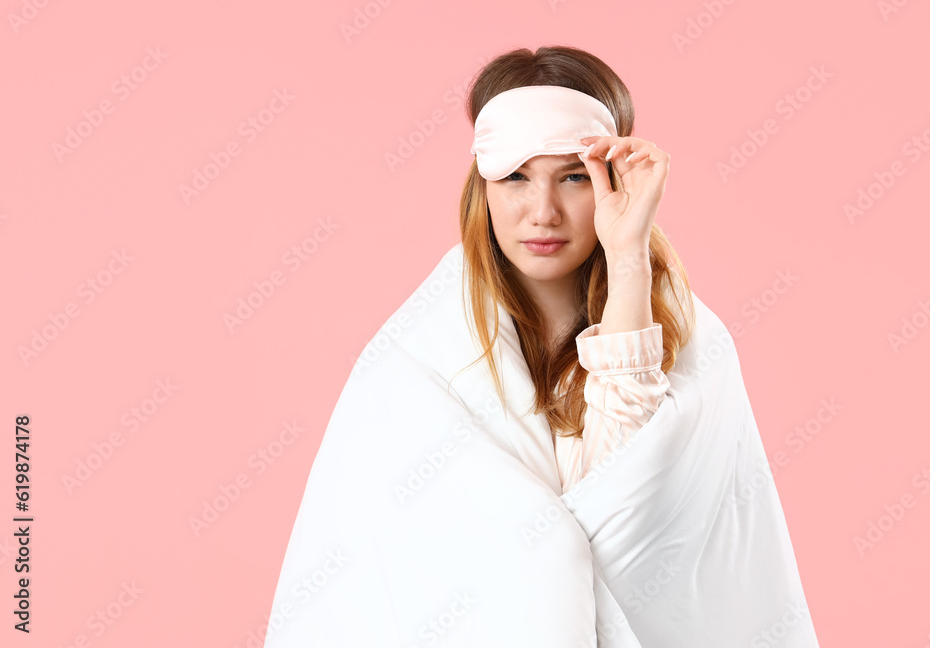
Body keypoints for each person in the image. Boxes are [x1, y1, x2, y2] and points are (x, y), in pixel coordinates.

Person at [261, 45, 821, 647]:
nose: (544, 212)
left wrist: (629, 258)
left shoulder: (693, 343)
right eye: (516, 178)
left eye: (575, 177)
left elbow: (633, 523)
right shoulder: (415, 355)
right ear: (484, 188)